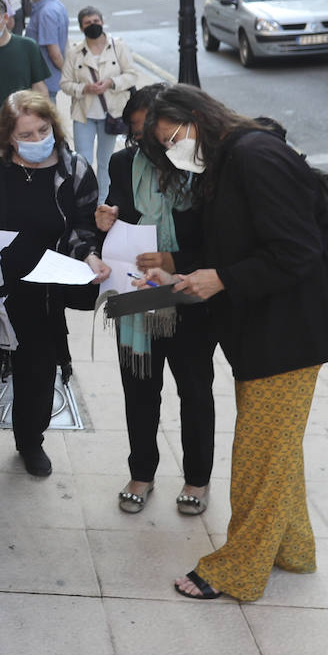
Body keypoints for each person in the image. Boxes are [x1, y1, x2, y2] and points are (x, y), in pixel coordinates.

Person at [136, 85, 328, 601]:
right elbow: (233, 238)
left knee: (257, 457)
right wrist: (175, 265)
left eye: (173, 136)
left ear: (197, 118)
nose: (175, 149)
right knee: (276, 451)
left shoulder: (255, 155)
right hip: (265, 332)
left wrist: (221, 278)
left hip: (288, 335)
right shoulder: (229, 160)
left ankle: (237, 570)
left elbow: (297, 250)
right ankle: (294, 549)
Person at [0, 91, 108, 477]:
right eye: (27, 134)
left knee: (38, 369)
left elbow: (82, 226)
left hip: (44, 291)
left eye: (43, 130)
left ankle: (30, 442)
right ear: (8, 136)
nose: (38, 140)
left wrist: (88, 254)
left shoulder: (73, 169)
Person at [93, 84, 215, 517]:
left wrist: (173, 259)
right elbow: (116, 215)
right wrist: (105, 220)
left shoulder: (199, 165)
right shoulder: (123, 162)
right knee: (139, 388)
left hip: (188, 293)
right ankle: (141, 472)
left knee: (195, 389)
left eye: (156, 131)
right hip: (135, 296)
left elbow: (218, 241)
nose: (148, 140)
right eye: (138, 130)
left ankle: (197, 480)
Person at [60, 5, 140, 202]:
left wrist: (112, 83)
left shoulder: (118, 47)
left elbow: (132, 75)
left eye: (96, 21)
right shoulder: (74, 52)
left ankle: (102, 202)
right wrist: (84, 89)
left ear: (102, 22)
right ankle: (85, 200)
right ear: (81, 27)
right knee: (83, 161)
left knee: (106, 162)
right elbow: (65, 83)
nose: (93, 25)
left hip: (111, 115)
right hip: (83, 115)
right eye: (88, 23)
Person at [23, 0, 69, 98]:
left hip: (44, 82)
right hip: (47, 79)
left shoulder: (46, 13)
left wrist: (67, 73)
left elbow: (54, 53)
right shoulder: (58, 6)